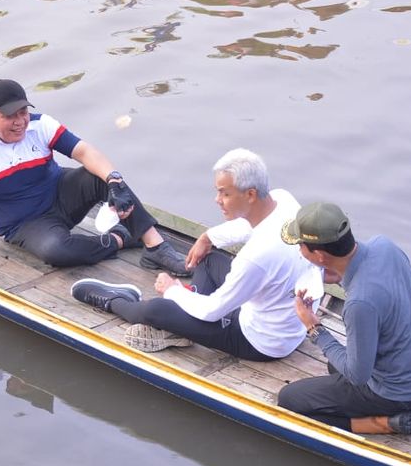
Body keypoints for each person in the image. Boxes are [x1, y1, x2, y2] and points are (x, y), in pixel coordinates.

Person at [0, 79, 188, 274]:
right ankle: (119, 237)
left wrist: (114, 181)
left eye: (23, 112)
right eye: (10, 116)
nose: (20, 121)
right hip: (24, 224)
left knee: (102, 177)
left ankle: (156, 248)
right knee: (57, 252)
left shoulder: (40, 125)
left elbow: (84, 152)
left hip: (61, 195)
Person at [69, 148, 315, 361]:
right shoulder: (283, 201)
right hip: (290, 323)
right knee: (210, 260)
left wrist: (172, 289)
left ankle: (116, 301)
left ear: (250, 194)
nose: (217, 200)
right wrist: (208, 237)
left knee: (156, 310)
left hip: (261, 341)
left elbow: (214, 311)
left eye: (225, 193)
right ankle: (184, 315)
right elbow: (249, 225)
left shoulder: (255, 257)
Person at [275, 202, 411, 435]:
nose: (299, 250)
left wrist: (313, 327)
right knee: (335, 364)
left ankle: (393, 421)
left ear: (321, 255)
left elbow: (357, 375)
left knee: (290, 400)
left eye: (301, 246)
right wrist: (338, 276)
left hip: (395, 392)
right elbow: (372, 281)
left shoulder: (360, 304)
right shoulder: (384, 246)